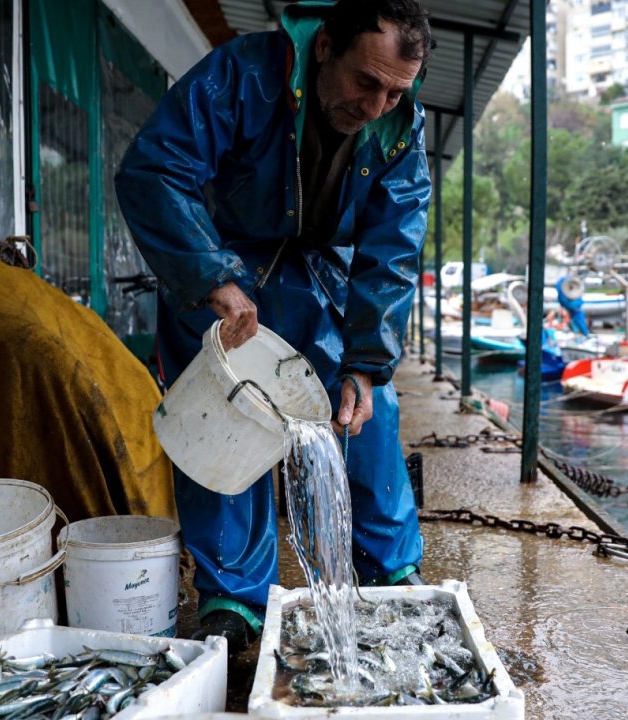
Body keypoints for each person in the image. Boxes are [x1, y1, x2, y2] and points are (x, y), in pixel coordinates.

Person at [115, 0, 433, 653]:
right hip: (218, 270)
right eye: (364, 82)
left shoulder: (402, 124)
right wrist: (210, 278)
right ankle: (234, 598)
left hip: (322, 275)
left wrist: (369, 362)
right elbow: (154, 170)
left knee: (365, 411)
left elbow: (393, 249)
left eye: (394, 91)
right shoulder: (242, 75)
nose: (375, 106)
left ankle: (390, 570)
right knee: (223, 420)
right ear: (324, 50)